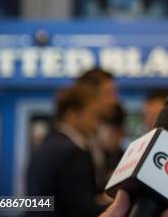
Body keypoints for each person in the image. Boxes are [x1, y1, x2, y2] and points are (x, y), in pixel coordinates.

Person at [27, 85, 106, 217]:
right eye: (93, 115)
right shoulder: (72, 153)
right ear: (72, 114)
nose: (96, 123)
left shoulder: (46, 145)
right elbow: (82, 210)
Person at [76, 68, 119, 193]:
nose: (114, 101)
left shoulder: (95, 138)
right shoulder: (72, 142)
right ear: (89, 95)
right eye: (109, 94)